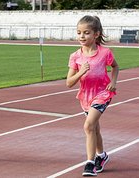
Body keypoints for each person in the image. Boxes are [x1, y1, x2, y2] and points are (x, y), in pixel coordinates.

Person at [66, 15, 119, 176]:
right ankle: (101, 156)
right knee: (94, 128)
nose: (82, 36)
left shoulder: (105, 53)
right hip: (85, 97)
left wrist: (113, 82)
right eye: (79, 32)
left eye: (86, 33)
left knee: (88, 126)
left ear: (96, 34)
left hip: (103, 94)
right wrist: (80, 72)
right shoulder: (75, 56)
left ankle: (90, 164)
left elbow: (115, 67)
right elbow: (69, 82)